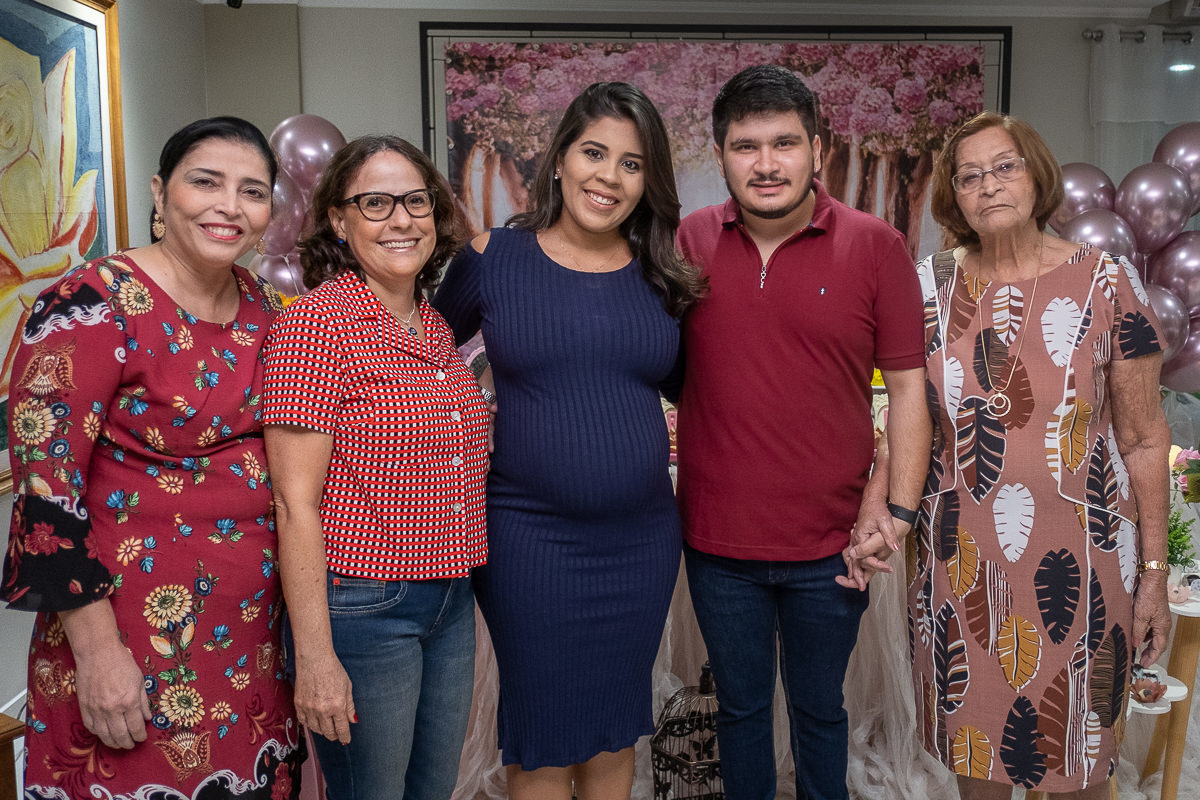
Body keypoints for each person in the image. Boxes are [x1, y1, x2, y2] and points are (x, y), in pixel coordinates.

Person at [846, 110, 1173, 799]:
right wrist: (878, 498)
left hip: (1087, 566)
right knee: (978, 761)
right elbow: (904, 418)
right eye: (969, 176)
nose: (988, 185)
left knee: (1081, 764)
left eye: (1004, 167)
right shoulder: (925, 287)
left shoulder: (1108, 283)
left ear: (1037, 176)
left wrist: (1153, 574)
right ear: (953, 197)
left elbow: (1144, 438)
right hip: (960, 564)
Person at [1, 116, 304, 799]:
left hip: (253, 645)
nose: (230, 205)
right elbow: (48, 494)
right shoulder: (88, 303)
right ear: (161, 193)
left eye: (252, 191)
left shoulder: (269, 308)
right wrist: (98, 654)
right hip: (130, 642)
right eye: (206, 182)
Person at [433, 81, 704, 800]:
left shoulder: (663, 276)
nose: (608, 177)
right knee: (545, 737)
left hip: (641, 541)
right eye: (594, 153)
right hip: (529, 538)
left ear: (648, 182)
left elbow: (695, 391)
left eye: (631, 164)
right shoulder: (495, 257)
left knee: (615, 729)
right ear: (559, 159)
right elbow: (418, 357)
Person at [672, 64, 930, 800]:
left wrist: (899, 510)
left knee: (820, 710)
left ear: (817, 149)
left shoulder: (875, 245)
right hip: (717, 543)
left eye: (784, 143)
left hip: (832, 543)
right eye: (745, 146)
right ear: (720, 155)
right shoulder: (688, 241)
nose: (766, 164)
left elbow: (908, 391)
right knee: (740, 709)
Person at [261, 135, 488, 800]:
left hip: (450, 599)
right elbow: (294, 502)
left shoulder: (434, 326)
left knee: (433, 790)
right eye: (376, 203)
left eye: (415, 201)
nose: (401, 219)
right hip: (364, 606)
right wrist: (316, 657)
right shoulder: (315, 326)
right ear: (340, 219)